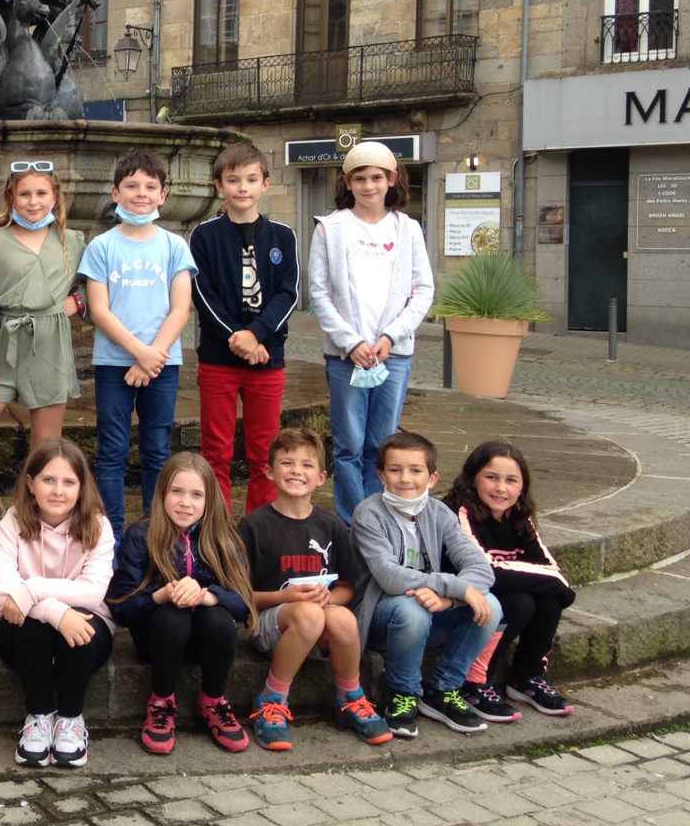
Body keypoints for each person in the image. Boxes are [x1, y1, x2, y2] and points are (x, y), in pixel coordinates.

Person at [0, 160, 86, 575]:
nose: (34, 201)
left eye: (42, 193)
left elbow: (93, 289)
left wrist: (76, 304)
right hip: (3, 348)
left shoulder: (72, 240)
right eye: (25, 194)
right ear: (11, 199)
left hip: (50, 347)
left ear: (55, 197)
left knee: (46, 452)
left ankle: (42, 530)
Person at [238, 428, 392, 751]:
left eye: (307, 465)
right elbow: (239, 594)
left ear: (321, 477)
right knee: (308, 614)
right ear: (269, 471)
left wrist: (329, 598)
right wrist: (284, 597)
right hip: (269, 623)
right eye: (287, 463)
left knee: (343, 619)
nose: (296, 471)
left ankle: (350, 696)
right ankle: (271, 700)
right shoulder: (253, 526)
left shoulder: (331, 525)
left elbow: (348, 588)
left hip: (317, 623)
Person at [307, 141, 434, 521]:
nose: (368, 186)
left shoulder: (407, 229)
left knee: (382, 444)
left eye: (377, 177)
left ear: (391, 179)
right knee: (347, 445)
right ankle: (352, 520)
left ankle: (381, 517)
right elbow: (319, 293)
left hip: (392, 355)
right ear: (347, 182)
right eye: (359, 178)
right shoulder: (330, 229)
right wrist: (351, 342)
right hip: (347, 357)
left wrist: (390, 336)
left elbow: (423, 290)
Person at [351, 431, 500, 738]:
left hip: (430, 614)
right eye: (395, 470)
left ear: (432, 478)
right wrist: (456, 587)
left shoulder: (438, 512)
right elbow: (389, 576)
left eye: (415, 470)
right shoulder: (368, 513)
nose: (405, 478)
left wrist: (449, 600)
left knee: (493, 606)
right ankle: (403, 694)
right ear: (381, 475)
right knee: (412, 608)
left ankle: (443, 690)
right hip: (383, 617)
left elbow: (481, 569)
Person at [107, 452, 254, 756]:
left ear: (209, 500)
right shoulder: (141, 535)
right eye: (177, 491)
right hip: (156, 641)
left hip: (205, 643)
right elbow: (120, 607)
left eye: (196, 494)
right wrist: (159, 595)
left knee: (218, 617)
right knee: (173, 615)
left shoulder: (223, 537)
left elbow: (244, 602)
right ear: (161, 493)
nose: (185, 502)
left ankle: (213, 700)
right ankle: (161, 701)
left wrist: (207, 595)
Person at [81, 150, 195, 535]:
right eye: (132, 186)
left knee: (157, 448)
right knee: (111, 450)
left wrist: (153, 356)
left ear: (163, 195)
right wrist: (139, 353)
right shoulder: (101, 247)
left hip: (163, 362)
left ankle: (155, 529)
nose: (141, 193)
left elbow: (181, 307)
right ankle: (110, 533)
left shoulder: (174, 246)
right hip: (114, 362)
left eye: (150, 186)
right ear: (116, 192)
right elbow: (99, 310)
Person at [0, 439, 115, 768]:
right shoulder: (12, 522)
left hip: (86, 636)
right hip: (21, 637)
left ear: (82, 487)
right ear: (30, 484)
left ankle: (71, 719)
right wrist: (54, 611)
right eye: (48, 480)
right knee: (33, 627)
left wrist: (30, 590)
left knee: (79, 625)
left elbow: (92, 594)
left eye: (69, 482)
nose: (58, 491)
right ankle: (39, 715)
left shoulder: (98, 527)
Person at [190, 143, 298, 514]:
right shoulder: (203, 236)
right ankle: (215, 528)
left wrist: (258, 333)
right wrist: (239, 338)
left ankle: (259, 527)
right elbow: (202, 294)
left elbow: (288, 292)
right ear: (219, 185)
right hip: (220, 358)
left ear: (265, 184)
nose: (242, 187)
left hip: (267, 359)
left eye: (251, 179)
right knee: (215, 451)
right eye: (233, 180)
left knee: (264, 451)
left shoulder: (283, 236)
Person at [446, 440, 577, 719]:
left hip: (496, 589)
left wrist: (551, 582)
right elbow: (484, 570)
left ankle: (526, 677)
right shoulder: (459, 512)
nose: (501, 488)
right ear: (472, 479)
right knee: (520, 601)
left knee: (549, 599)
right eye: (491, 478)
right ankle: (474, 681)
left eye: (511, 481)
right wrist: (551, 581)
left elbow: (548, 566)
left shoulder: (519, 516)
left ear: (522, 487)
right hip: (460, 596)